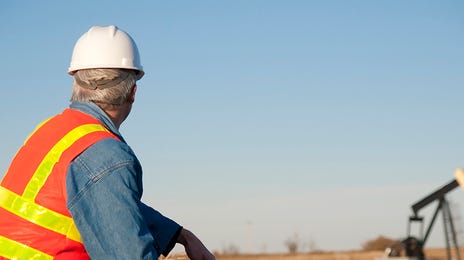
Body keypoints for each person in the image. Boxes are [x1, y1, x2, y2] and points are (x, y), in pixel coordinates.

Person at [0, 25, 215, 260]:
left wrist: (179, 235)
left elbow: (103, 203)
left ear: (76, 83)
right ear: (133, 92)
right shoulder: (106, 155)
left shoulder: (50, 131)